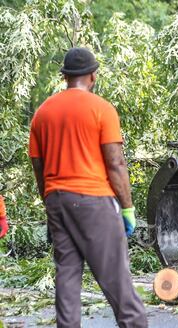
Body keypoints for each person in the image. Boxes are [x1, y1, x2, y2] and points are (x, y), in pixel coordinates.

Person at [29, 47, 147, 327]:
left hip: (57, 200)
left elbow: (38, 165)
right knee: (117, 279)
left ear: (66, 77)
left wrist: (51, 201)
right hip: (94, 201)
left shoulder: (43, 112)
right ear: (92, 76)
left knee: (67, 279)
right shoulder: (101, 109)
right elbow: (115, 163)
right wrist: (127, 207)